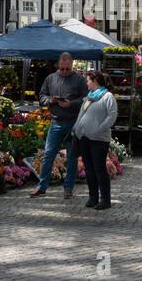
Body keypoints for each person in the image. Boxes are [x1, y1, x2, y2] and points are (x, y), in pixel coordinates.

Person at [31, 53, 88, 198]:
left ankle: (68, 188)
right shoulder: (51, 78)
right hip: (56, 121)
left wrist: (72, 103)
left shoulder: (79, 80)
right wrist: (51, 100)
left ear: (72, 65)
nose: (64, 71)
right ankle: (42, 186)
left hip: (73, 122)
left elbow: (87, 99)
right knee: (48, 154)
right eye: (62, 69)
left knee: (72, 157)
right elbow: (41, 96)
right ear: (58, 65)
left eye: (67, 69)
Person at [72, 70, 118, 210]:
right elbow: (81, 115)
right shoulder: (89, 97)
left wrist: (99, 129)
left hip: (99, 139)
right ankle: (93, 197)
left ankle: (105, 199)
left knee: (99, 169)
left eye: (88, 80)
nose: (86, 83)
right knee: (89, 169)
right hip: (84, 138)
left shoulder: (108, 96)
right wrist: (76, 129)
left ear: (95, 81)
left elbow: (112, 116)